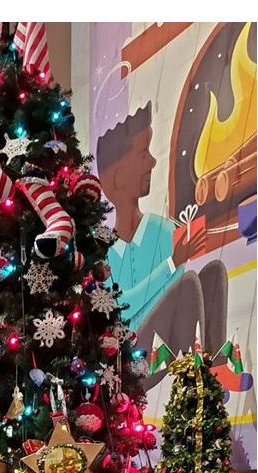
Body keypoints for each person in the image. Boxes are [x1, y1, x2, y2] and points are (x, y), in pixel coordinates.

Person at [96, 103, 228, 390]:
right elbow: (119, 307)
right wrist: (171, 264)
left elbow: (179, 304)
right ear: (118, 177)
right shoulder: (101, 250)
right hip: (131, 361)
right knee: (187, 283)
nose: (153, 163)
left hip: (166, 341)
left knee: (214, 272)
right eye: (143, 154)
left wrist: (179, 259)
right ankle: (199, 383)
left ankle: (215, 368)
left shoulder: (162, 230)